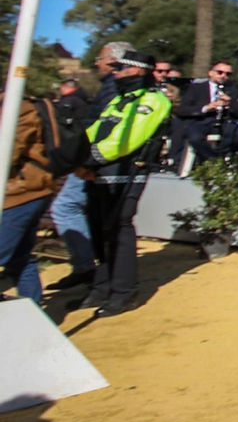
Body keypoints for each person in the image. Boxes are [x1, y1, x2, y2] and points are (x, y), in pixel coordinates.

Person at [82, 49, 169, 316]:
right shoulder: (119, 100)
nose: (114, 73)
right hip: (98, 171)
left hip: (128, 171)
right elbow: (95, 129)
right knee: (98, 228)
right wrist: (74, 153)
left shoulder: (154, 100)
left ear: (137, 71)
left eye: (120, 69)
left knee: (119, 227)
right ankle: (101, 287)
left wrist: (90, 156)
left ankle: (124, 293)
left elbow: (128, 138)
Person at [49, 42, 132, 293]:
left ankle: (88, 268)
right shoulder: (115, 87)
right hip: (95, 160)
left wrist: (86, 161)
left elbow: (101, 127)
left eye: (100, 58)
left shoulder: (113, 87)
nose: (96, 62)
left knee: (66, 207)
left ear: (113, 61)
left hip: (94, 160)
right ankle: (96, 271)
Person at [1, 101, 63, 303]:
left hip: (21, 193)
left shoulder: (17, 106)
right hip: (23, 192)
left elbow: (8, 151)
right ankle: (33, 315)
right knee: (20, 258)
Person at [45, 78, 96, 290]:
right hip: (87, 158)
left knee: (65, 207)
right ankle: (88, 268)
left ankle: (87, 268)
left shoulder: (69, 103)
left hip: (86, 159)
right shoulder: (90, 98)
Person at [176, 62, 238, 161]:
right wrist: (206, 108)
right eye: (220, 72)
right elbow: (182, 110)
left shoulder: (233, 89)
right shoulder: (196, 88)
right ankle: (213, 160)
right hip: (201, 121)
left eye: (227, 74)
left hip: (224, 122)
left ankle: (223, 159)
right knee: (195, 137)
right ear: (210, 73)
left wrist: (229, 104)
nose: (224, 76)